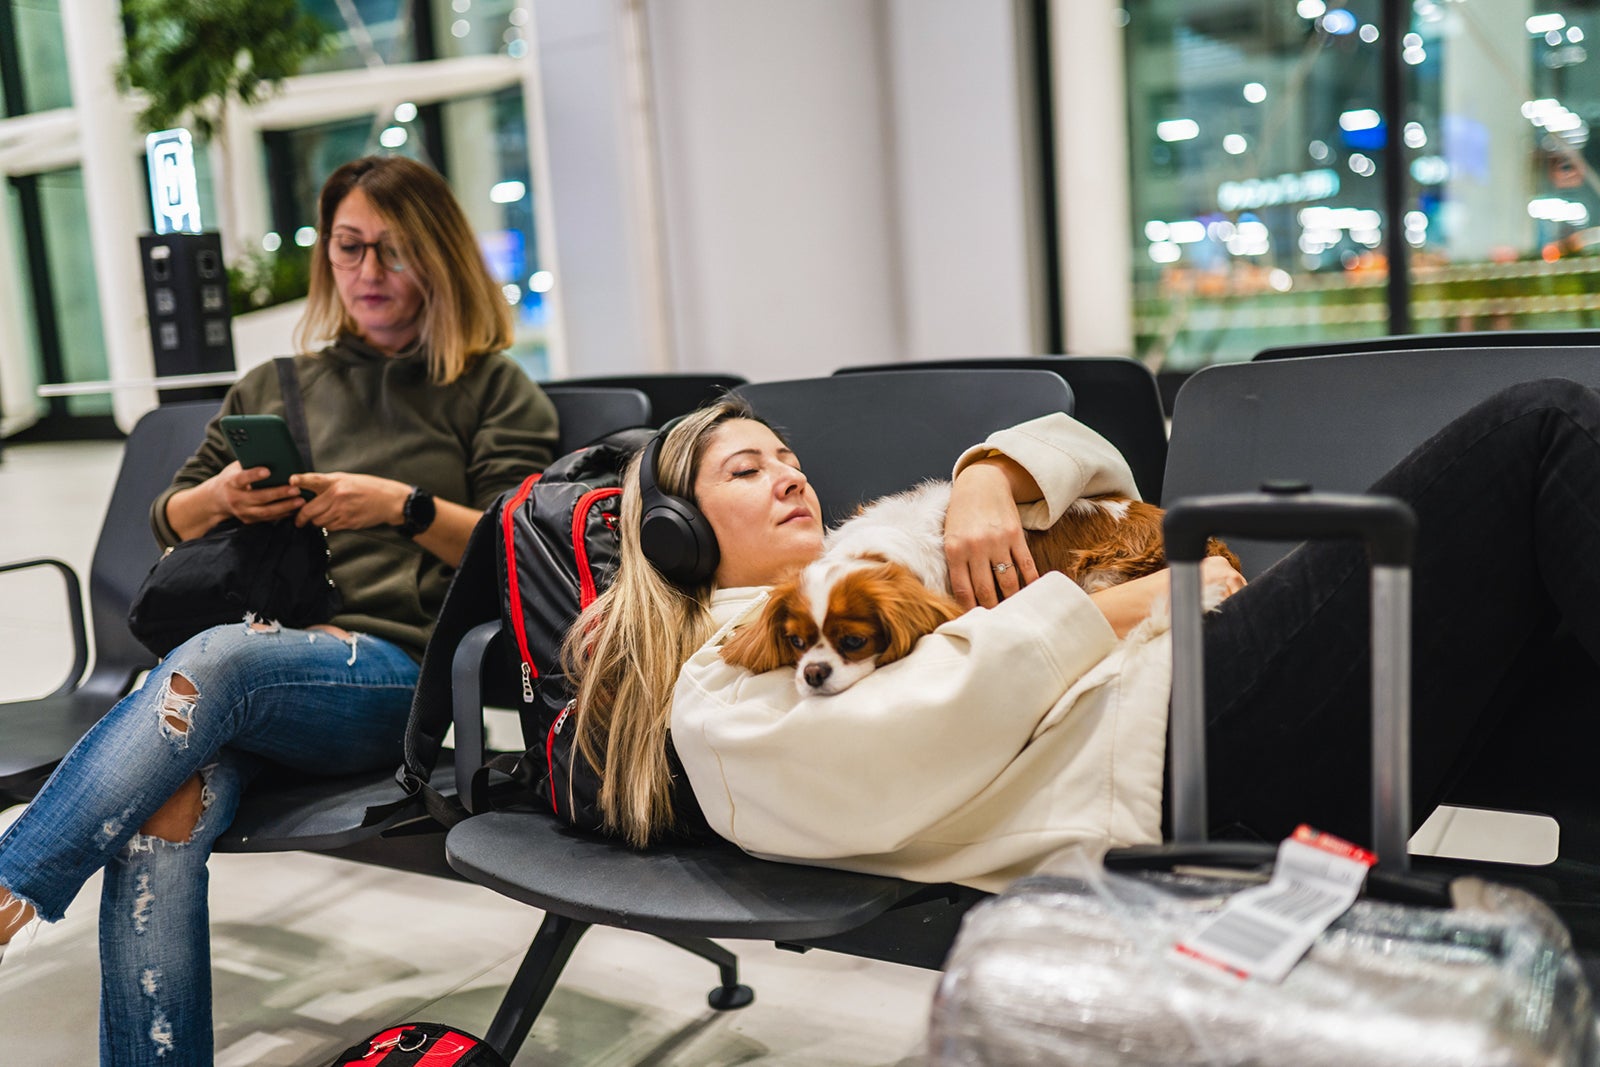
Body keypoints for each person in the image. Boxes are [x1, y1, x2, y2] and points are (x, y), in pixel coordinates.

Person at [565, 381, 1600, 893]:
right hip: (1162, 758)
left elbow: (1096, 460)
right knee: (1535, 430)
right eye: (743, 471)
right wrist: (1112, 610)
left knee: (1546, 641)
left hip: (1181, 702)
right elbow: (901, 736)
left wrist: (987, 473)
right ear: (675, 530)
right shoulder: (722, 667)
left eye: (786, 454)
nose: (788, 473)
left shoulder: (871, 549)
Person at [0, 155, 557, 1065]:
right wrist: (222, 496)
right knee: (165, 803)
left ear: (442, 258)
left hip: (391, 677)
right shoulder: (274, 384)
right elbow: (167, 518)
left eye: (395, 251)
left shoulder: (493, 390)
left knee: (212, 659)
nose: (369, 273)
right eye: (349, 248)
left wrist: (401, 508)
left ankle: (9, 889)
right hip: (255, 667)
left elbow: (511, 550)